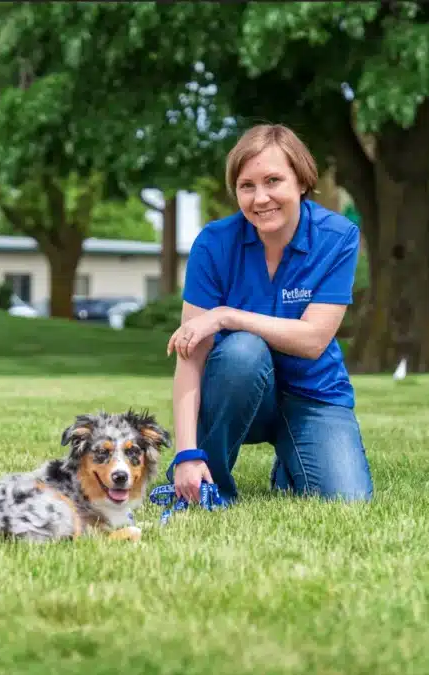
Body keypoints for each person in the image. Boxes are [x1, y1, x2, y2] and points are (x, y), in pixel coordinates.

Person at [166, 123, 373, 506]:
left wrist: (227, 315)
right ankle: (211, 484)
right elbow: (190, 354)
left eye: (273, 180)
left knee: (347, 500)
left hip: (313, 395)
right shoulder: (213, 244)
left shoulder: (338, 237)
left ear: (301, 180)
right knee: (243, 351)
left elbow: (312, 341)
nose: (260, 198)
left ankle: (291, 462)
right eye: (247, 186)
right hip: (238, 386)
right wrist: (185, 454)